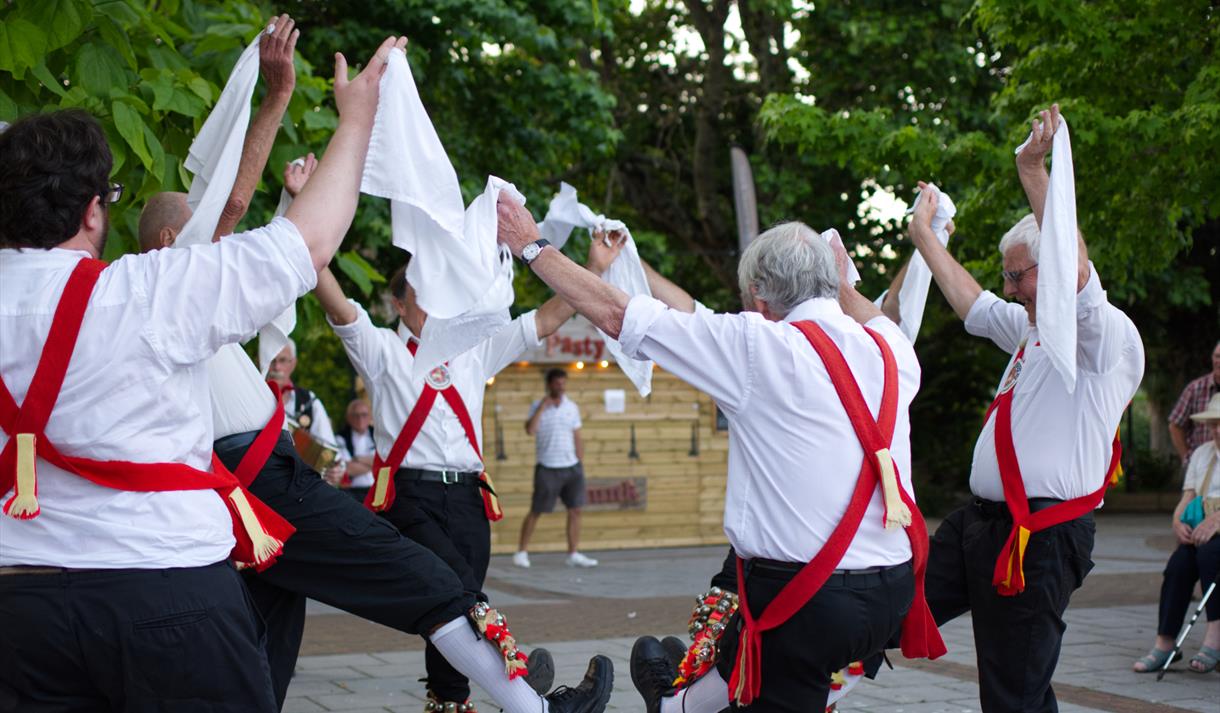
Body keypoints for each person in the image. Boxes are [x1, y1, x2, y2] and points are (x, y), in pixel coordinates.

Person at [133, 30, 613, 713]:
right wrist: (278, 100)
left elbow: (273, 265)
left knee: (268, 635)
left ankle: (501, 694)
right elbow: (249, 225)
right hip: (272, 482)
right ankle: (530, 705)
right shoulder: (168, 284)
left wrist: (291, 204)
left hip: (301, 483)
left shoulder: (166, 303)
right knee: (428, 583)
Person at [0, 23, 390, 707]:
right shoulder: (145, 289)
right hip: (163, 588)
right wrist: (357, 117)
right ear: (92, 212)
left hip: (15, 607)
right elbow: (310, 241)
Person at [496, 200, 945, 711]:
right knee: (742, 657)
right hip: (893, 591)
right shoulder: (890, 348)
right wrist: (838, 281)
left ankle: (674, 704)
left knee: (771, 672)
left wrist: (530, 245)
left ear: (759, 295)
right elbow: (868, 312)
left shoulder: (758, 345)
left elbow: (620, 314)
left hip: (806, 600)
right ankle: (672, 705)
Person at [314, 231, 624, 708]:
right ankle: (523, 688)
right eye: (421, 294)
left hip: (469, 498)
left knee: (451, 604)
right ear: (399, 305)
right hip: (410, 498)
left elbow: (545, 319)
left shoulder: (473, 349)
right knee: (459, 593)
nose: (434, 304)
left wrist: (595, 268)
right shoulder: (382, 350)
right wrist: (308, 238)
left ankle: (452, 701)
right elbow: (338, 307)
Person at [907, 105, 1145, 712]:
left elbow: (1076, 276)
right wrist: (925, 237)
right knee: (891, 604)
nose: (1010, 289)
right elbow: (973, 305)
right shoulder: (1030, 331)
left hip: (1038, 538)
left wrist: (1034, 173)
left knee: (1013, 694)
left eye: (1019, 276)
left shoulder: (1102, 338)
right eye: (1008, 277)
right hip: (981, 526)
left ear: (1055, 268)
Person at [1133, 393, 1220, 674]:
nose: (1218, 430)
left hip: (1215, 534)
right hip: (1203, 529)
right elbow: (1188, 496)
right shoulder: (1202, 454)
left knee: (1210, 555)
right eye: (1214, 423)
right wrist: (1177, 521)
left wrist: (1217, 520)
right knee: (1178, 564)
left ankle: (1215, 637)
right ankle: (1166, 642)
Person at [514, 368, 597, 568]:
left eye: (563, 383)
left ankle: (573, 553)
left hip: (572, 467)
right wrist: (543, 406)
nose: (561, 387)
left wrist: (580, 459)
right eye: (558, 383)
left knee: (575, 510)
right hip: (547, 467)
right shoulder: (537, 406)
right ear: (549, 384)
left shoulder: (572, 407)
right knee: (537, 510)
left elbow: (577, 434)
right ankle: (521, 552)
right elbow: (530, 430)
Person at [1169, 341, 1220, 467]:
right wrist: (1187, 458)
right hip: (1200, 465)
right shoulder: (1195, 389)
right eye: (1217, 356)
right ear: (1212, 358)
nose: (1219, 361)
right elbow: (1175, 425)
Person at [335, 397, 376, 501]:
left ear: (370, 416)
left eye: (364, 414)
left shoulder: (378, 436)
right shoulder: (340, 438)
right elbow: (346, 468)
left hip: (376, 491)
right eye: (355, 415)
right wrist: (375, 463)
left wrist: (357, 459)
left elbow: (387, 463)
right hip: (351, 492)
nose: (360, 419)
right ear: (348, 417)